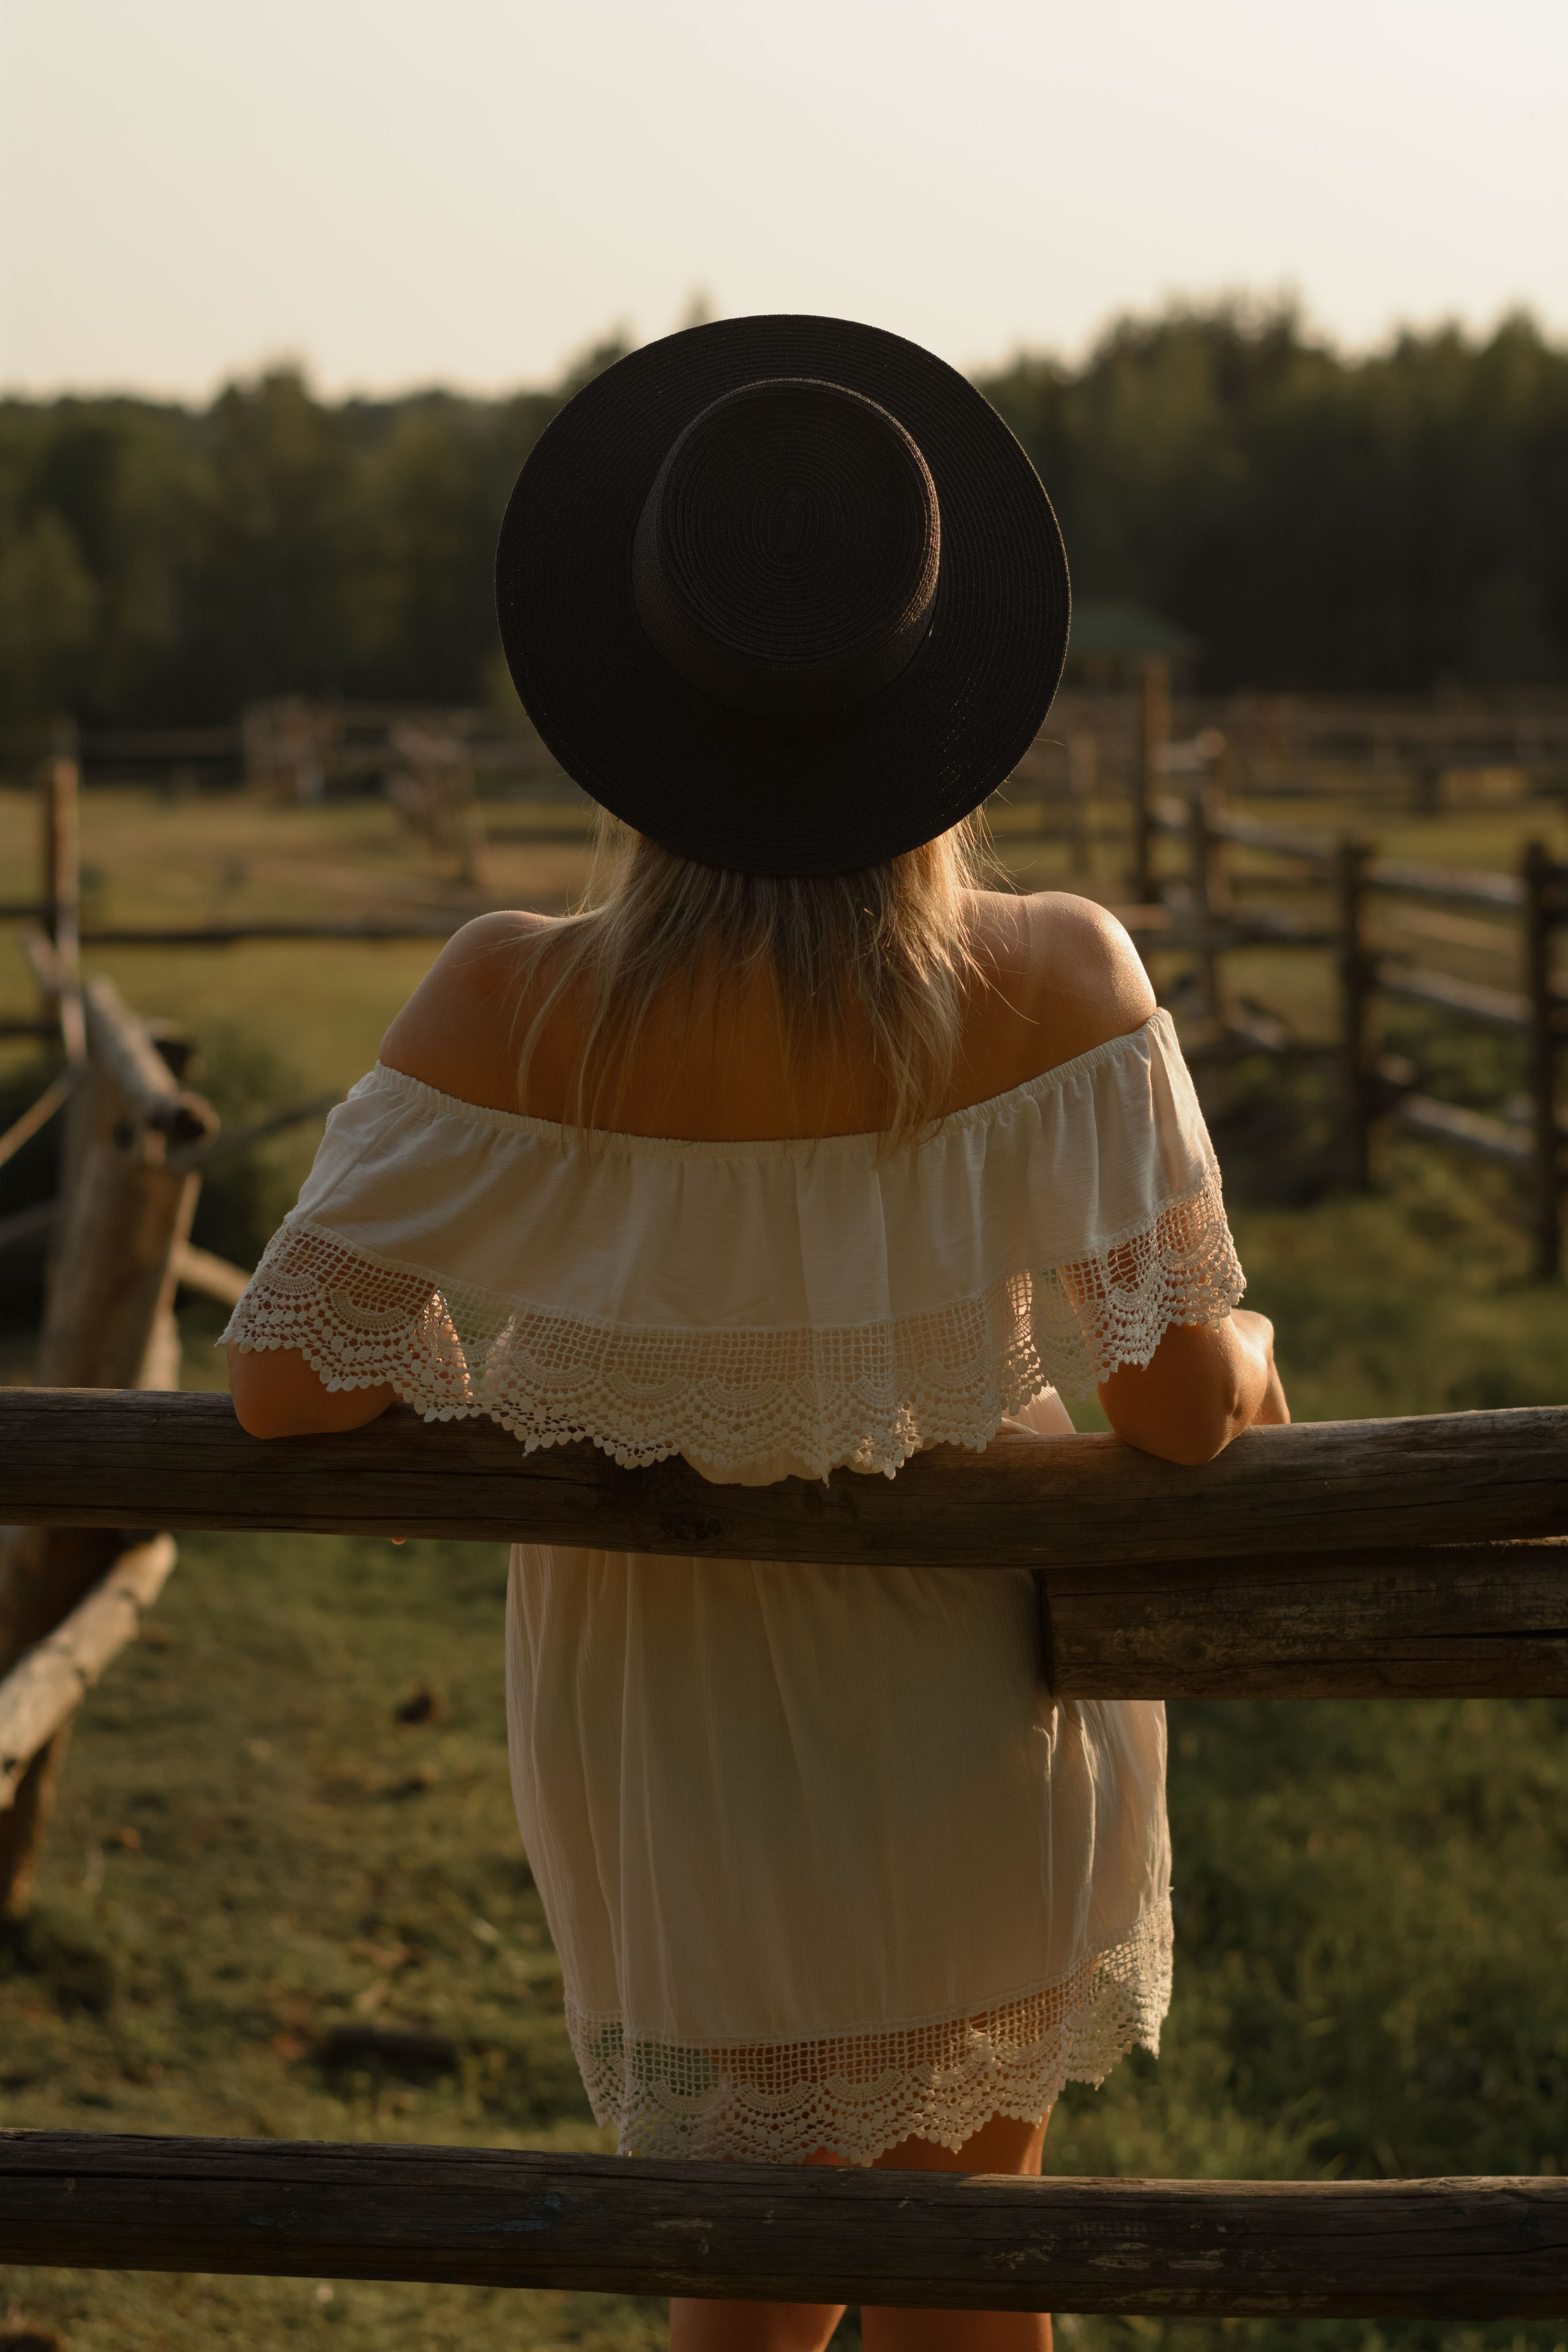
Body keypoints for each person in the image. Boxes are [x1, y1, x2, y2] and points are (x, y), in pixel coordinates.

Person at [225, 317, 1289, 2352]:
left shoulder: (511, 1003)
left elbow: (285, 1376)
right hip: (966, 1709)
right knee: (974, 2300)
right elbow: (1171, 1404)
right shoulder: (1059, 981)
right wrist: (1248, 1352)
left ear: (633, 692)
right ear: (941, 683)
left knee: (741, 2305)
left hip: (669, 1733)